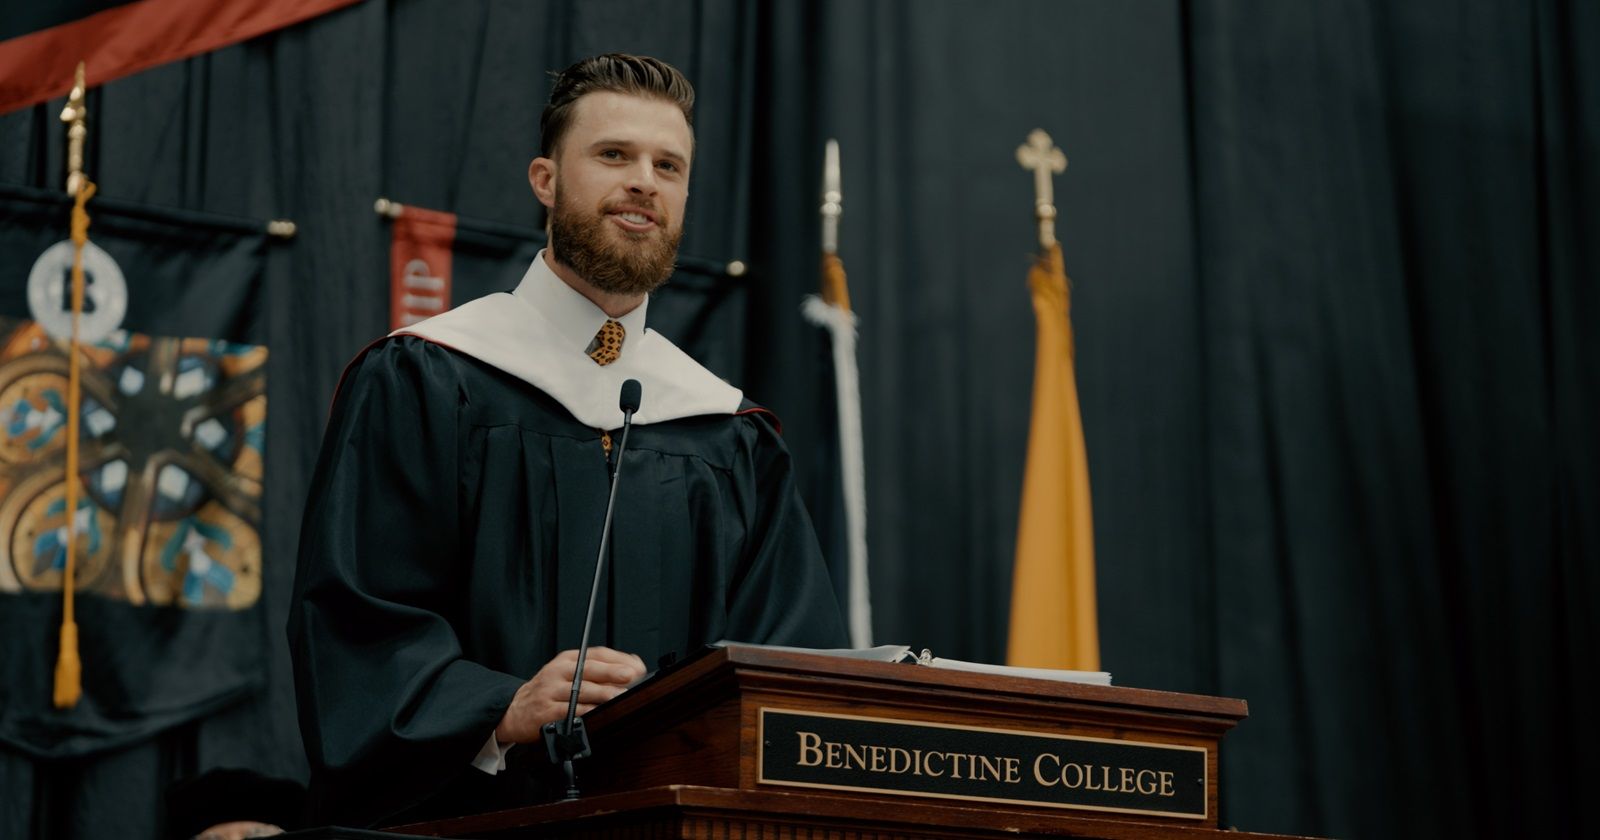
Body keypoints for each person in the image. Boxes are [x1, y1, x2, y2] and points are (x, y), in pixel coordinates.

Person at [286, 53, 847, 828]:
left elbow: (788, 673)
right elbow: (358, 621)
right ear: (546, 180)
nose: (644, 181)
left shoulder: (726, 435)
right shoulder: (427, 378)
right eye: (613, 155)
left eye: (668, 165)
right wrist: (499, 709)